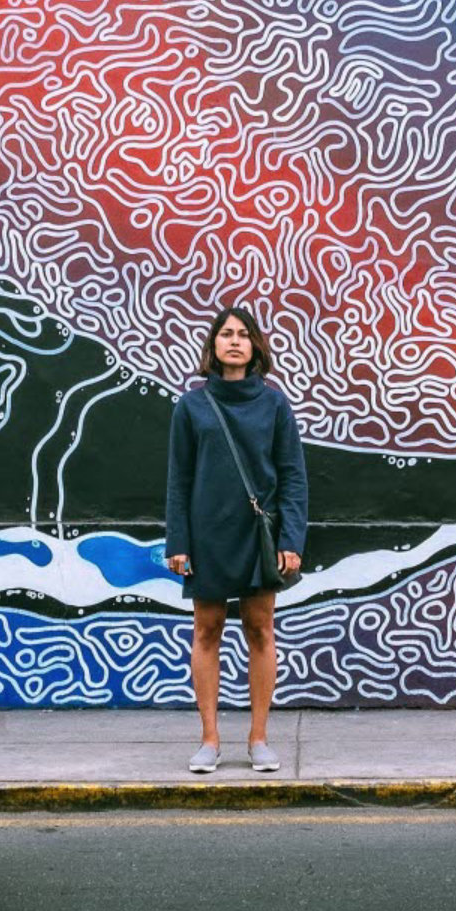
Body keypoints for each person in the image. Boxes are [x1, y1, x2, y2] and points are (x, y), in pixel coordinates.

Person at [163, 306, 308, 773]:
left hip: (257, 535)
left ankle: (259, 739)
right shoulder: (193, 406)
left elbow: (292, 476)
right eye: (226, 334)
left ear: (255, 346)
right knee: (207, 630)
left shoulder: (274, 404)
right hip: (207, 534)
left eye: (243, 334)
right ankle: (209, 740)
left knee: (260, 629)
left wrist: (291, 538)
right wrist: (178, 541)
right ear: (213, 346)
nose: (234, 341)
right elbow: (179, 479)